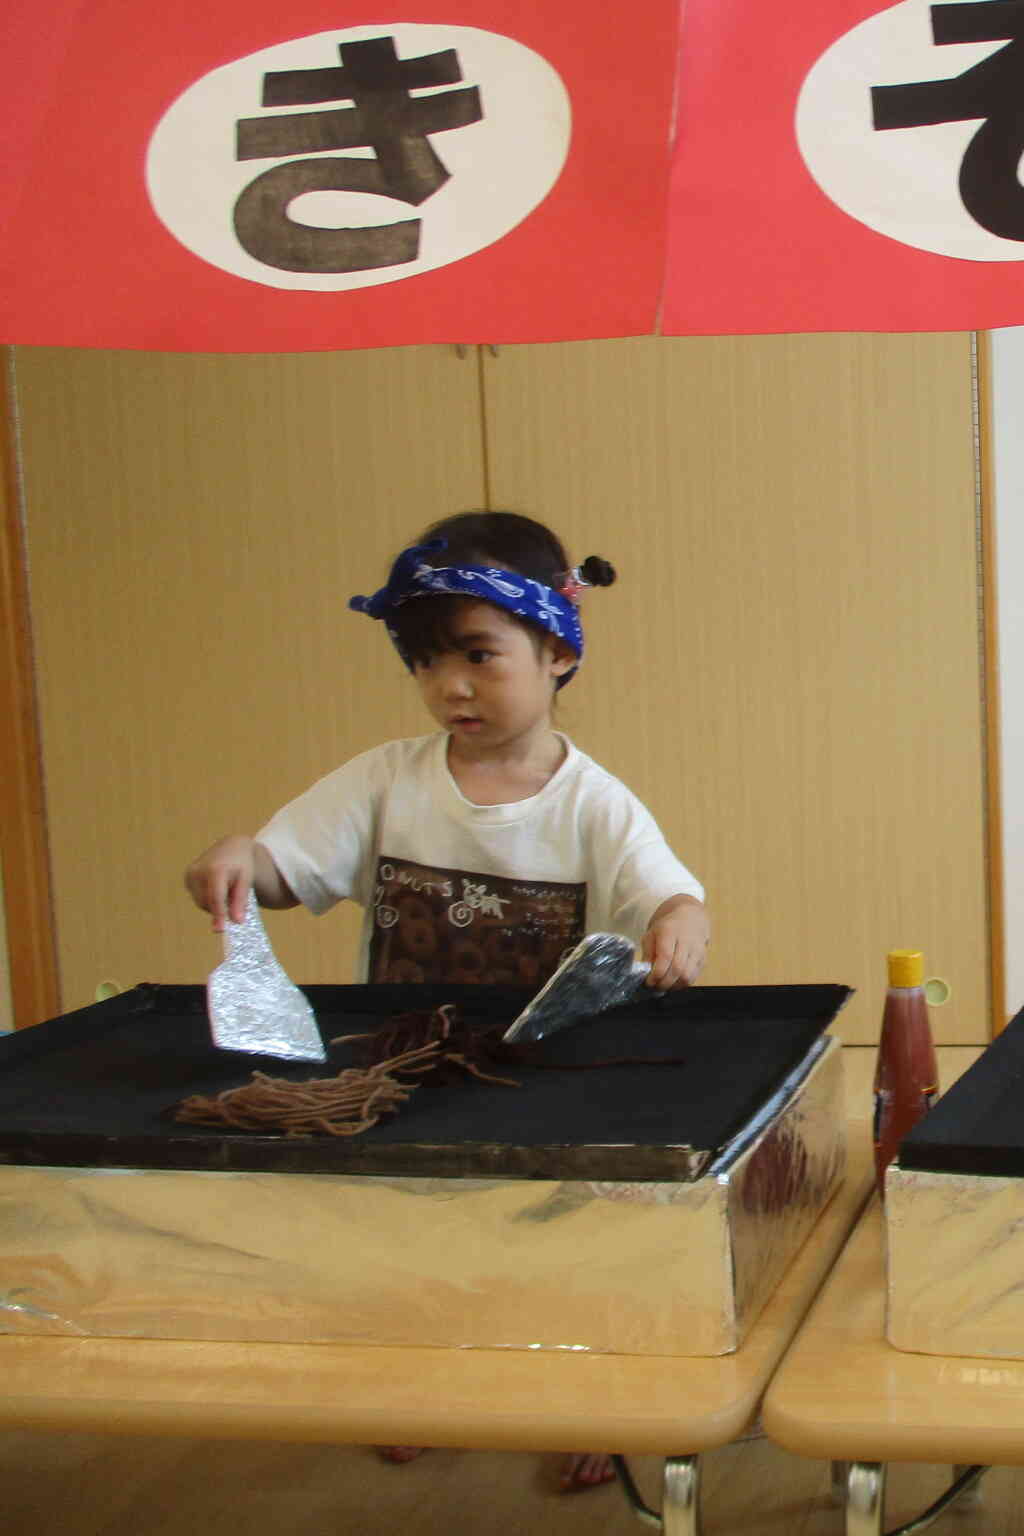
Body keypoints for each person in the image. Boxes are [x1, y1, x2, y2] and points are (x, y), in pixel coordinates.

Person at [184, 510, 709, 1491]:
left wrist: (678, 923)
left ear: (556, 648)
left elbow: (664, 890)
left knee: (564, 1238)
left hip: (545, 1064)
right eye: (426, 662)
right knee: (410, 1233)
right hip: (408, 1056)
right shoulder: (387, 780)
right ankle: (417, 1383)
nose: (451, 685)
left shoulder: (592, 801)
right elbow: (283, 867)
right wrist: (235, 858)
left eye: (478, 654)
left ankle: (585, 1394)